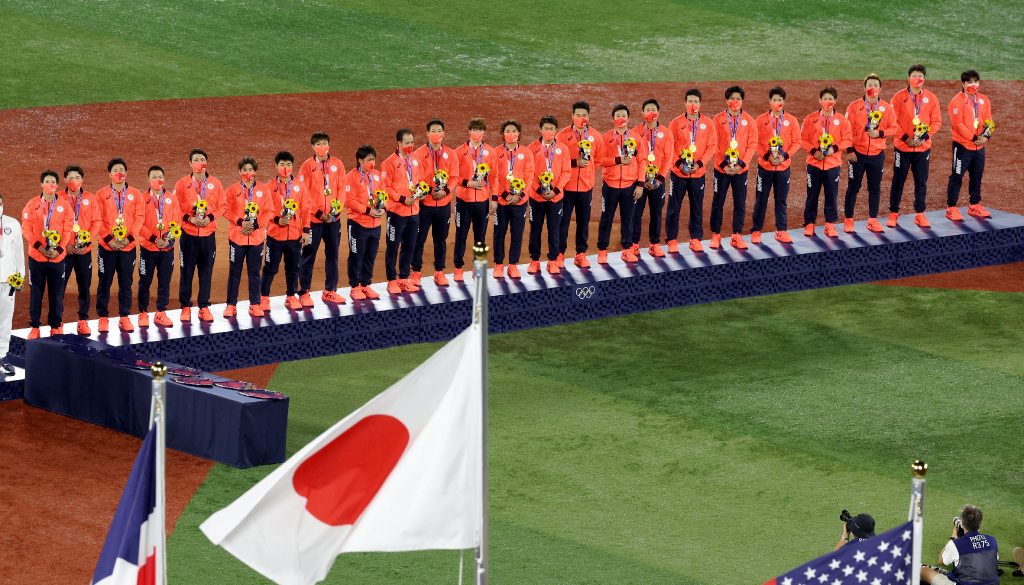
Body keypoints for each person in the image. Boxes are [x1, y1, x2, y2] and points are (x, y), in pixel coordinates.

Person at [888, 64, 942, 229]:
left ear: (924, 79)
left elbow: (936, 122)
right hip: (902, 148)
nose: (917, 79)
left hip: (922, 148)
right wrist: (905, 138)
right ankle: (893, 214)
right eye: (914, 75)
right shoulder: (898, 97)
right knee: (898, 181)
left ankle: (920, 214)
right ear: (908, 78)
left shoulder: (931, 98)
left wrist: (925, 137)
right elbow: (892, 122)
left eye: (920, 76)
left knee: (921, 182)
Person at [95, 158, 145, 333]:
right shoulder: (100, 195)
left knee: (126, 283)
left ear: (126, 173)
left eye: (122, 170)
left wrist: (129, 239)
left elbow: (140, 218)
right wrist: (109, 239)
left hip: (128, 247)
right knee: (104, 282)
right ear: (109, 174)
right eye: (115, 170)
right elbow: (97, 219)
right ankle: (103, 318)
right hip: (107, 247)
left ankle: (124, 317)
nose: (119, 173)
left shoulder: (136, 194)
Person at [174, 148, 224, 322]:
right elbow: (175, 208)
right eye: (195, 159)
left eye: (202, 159)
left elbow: (222, 206)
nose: (199, 162)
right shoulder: (181, 184)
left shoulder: (215, 184)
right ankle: (185, 307)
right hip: (188, 235)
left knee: (206, 272)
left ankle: (204, 306)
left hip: (208, 235)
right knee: (186, 271)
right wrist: (189, 219)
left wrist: (209, 218)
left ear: (206, 162)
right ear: (190, 163)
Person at [844, 73, 898, 233]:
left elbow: (894, 128)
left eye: (875, 85)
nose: (872, 88)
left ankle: (872, 220)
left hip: (877, 155)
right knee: (853, 187)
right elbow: (846, 130)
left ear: (880, 89)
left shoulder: (887, 108)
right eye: (869, 85)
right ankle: (848, 220)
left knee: (875, 188)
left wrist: (880, 133)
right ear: (864, 88)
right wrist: (850, 150)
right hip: (857, 155)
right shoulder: (853, 107)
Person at [297, 132, 347, 306]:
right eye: (318, 144)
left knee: (333, 255)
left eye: (324, 143)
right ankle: (304, 292)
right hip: (313, 221)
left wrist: (336, 210)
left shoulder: (338, 164)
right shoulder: (306, 167)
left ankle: (330, 291)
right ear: (312, 147)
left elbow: (342, 189)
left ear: (329, 144)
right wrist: (319, 214)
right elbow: (304, 195)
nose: (322, 147)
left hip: (333, 219)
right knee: (308, 255)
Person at [22, 170, 74, 338]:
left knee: (57, 292)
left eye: (53, 181)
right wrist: (40, 247)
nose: (50, 184)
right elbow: (26, 228)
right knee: (36, 291)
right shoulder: (32, 204)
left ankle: (56, 326)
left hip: (57, 258)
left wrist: (58, 250)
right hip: (37, 257)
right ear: (41, 184)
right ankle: (35, 327)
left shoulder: (65, 205)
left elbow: (68, 229)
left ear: (57, 185)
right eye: (47, 181)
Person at [666, 88, 717, 253]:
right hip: (678, 173)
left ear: (700, 104)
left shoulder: (708, 123)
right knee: (674, 207)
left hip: (698, 173)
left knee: (697, 207)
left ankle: (695, 238)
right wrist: (679, 163)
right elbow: (670, 147)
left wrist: (700, 164)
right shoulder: (675, 123)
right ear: (685, 103)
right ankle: (672, 240)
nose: (693, 104)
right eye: (690, 101)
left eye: (696, 101)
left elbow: (712, 146)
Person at [556, 101, 605, 268]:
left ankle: (581, 254)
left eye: (584, 115)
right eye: (578, 115)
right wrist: (575, 163)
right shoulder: (562, 136)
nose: (581, 118)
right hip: (566, 188)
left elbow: (598, 159)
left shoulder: (596, 136)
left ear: (588, 117)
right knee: (563, 222)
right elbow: (556, 162)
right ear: (572, 116)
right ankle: (559, 254)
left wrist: (588, 171)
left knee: (583, 222)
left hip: (585, 187)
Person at [411, 119, 460, 286]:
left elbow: (454, 177)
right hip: (425, 206)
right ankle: (416, 273)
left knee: (441, 239)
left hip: (444, 205)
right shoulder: (418, 154)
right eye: (433, 130)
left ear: (443, 133)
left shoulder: (451, 153)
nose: (436, 133)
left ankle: (439, 271)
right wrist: (427, 191)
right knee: (419, 239)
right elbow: (416, 177)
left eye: (439, 130)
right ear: (427, 133)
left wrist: (445, 191)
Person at [261, 151, 311, 311]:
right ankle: (263, 297)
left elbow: (306, 209)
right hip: (275, 236)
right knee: (270, 268)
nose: (285, 167)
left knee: (293, 268)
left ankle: (291, 296)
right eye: (282, 164)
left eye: (288, 164)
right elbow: (264, 212)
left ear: (292, 166)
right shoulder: (269, 187)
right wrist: (277, 220)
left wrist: (306, 231)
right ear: (276, 166)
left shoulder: (299, 186)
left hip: (295, 236)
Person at [800, 87, 853, 238]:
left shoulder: (842, 120)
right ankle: (809, 224)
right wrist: (814, 152)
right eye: (825, 98)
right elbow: (802, 139)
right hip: (814, 164)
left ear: (835, 101)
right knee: (812, 195)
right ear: (819, 100)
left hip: (832, 165)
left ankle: (830, 224)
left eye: (830, 98)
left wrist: (834, 149)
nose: (827, 101)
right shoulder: (811, 119)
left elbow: (848, 139)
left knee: (831, 195)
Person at [223, 157, 272, 317]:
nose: (247, 172)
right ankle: (231, 305)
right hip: (237, 238)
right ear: (239, 172)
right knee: (234, 272)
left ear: (255, 172)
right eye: (244, 170)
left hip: (256, 238)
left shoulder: (264, 190)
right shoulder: (232, 190)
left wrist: (255, 225)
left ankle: (255, 304)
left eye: (250, 169)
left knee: (254, 272)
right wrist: (240, 222)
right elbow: (224, 209)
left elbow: (269, 211)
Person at [752, 87, 801, 244]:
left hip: (783, 168)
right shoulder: (760, 120)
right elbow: (754, 142)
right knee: (761, 200)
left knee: (781, 200)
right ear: (769, 101)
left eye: (780, 100)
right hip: (765, 168)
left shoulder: (791, 120)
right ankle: (756, 231)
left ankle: (781, 231)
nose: (777, 102)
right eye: (775, 100)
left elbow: (797, 142)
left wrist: (784, 156)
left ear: (784, 101)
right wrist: (767, 156)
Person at [711, 86, 758, 249]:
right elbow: (713, 144)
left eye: (738, 98)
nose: (735, 101)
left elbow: (752, 145)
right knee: (718, 202)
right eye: (732, 98)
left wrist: (741, 165)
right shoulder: (717, 119)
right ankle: (716, 235)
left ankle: (736, 235)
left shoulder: (749, 120)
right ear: (726, 100)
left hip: (740, 170)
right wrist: (724, 165)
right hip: (721, 170)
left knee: (740, 202)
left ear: (742, 101)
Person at [945, 69, 994, 221]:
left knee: (977, 176)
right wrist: (974, 137)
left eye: (976, 81)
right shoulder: (956, 102)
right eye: (970, 82)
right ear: (963, 84)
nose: (973, 84)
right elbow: (958, 124)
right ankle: (951, 208)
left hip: (979, 146)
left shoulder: (984, 99)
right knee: (957, 176)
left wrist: (985, 137)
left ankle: (974, 205)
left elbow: (989, 120)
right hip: (962, 146)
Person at [596, 104, 642, 263]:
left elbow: (642, 161)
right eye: (618, 115)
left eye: (624, 115)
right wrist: (618, 160)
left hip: (630, 186)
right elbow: (600, 160)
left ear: (628, 118)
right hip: (610, 186)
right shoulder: (605, 138)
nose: (621, 118)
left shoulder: (636, 138)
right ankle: (602, 251)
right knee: (606, 218)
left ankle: (627, 250)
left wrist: (640, 184)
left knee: (628, 219)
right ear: (613, 119)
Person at [489, 120, 535, 278]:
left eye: (514, 131)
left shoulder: (526, 152)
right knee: (499, 233)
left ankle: (513, 265)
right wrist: (504, 195)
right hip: (502, 202)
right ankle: (499, 265)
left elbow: (530, 177)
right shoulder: (495, 152)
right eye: (508, 131)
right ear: (502, 134)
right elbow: (493, 177)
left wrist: (520, 196)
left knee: (517, 233)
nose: (511, 134)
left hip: (520, 202)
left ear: (519, 133)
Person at [380, 128, 423, 294]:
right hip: (397, 212)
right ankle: (392, 280)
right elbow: (387, 188)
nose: (410, 146)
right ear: (399, 143)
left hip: (414, 211)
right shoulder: (389, 163)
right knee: (393, 246)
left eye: (412, 142)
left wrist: (420, 190)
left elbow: (417, 180)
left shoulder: (415, 160)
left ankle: (404, 278)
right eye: (407, 143)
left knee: (409, 246)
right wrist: (402, 199)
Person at [136, 166, 180, 328]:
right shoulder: (141, 199)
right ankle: (143, 313)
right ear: (148, 180)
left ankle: (161, 312)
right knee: (145, 281)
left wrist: (169, 239)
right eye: (154, 177)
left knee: (164, 281)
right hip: (148, 249)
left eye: (160, 176)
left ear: (164, 178)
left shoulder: (171, 198)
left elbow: (177, 221)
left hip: (167, 249)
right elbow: (139, 223)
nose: (157, 179)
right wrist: (155, 239)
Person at [452, 118, 495, 282]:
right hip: (464, 201)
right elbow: (453, 177)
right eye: (475, 129)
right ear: (469, 131)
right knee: (461, 236)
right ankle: (458, 269)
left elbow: (495, 177)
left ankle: (479, 268)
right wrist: (467, 182)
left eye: (480, 130)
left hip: (482, 201)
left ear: (484, 132)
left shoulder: (489, 152)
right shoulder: (459, 152)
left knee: (481, 237)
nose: (478, 133)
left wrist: (494, 199)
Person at [629, 98, 674, 257]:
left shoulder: (666, 133)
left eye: (653, 109)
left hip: (658, 181)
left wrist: (660, 179)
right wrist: (641, 180)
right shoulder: (634, 133)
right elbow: (633, 159)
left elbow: (669, 158)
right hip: (640, 182)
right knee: (636, 213)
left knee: (656, 213)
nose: (650, 113)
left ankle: (654, 244)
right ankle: (633, 244)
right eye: (647, 110)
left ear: (658, 113)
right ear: (642, 113)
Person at [526, 115, 571, 274]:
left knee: (554, 229)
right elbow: (528, 173)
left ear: (556, 130)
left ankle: (552, 260)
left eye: (552, 129)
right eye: (546, 128)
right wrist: (539, 190)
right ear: (541, 130)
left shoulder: (563, 149)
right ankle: (534, 260)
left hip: (556, 198)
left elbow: (566, 172)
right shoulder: (531, 148)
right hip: (536, 198)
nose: (549, 131)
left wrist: (555, 191)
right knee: (535, 229)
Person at [61, 165, 101, 334]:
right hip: (64, 251)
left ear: (82, 180)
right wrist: (65, 245)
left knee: (84, 286)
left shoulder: (90, 198)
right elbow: (54, 225)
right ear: (65, 180)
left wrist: (86, 242)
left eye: (77, 177)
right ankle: (57, 322)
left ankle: (83, 320)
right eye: (70, 178)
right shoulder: (58, 198)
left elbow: (96, 221)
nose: (74, 181)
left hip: (84, 251)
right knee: (59, 287)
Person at [344, 145, 385, 301]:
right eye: (369, 160)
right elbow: (349, 201)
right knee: (356, 255)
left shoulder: (377, 175)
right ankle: (354, 287)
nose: (372, 162)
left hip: (375, 224)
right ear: (360, 160)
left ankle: (365, 285)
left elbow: (383, 194)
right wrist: (368, 211)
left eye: (373, 159)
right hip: (358, 224)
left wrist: (383, 208)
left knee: (370, 256)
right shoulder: (351, 177)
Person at [921, 505, 998, 585]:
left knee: (924, 571)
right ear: (980, 523)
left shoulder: (956, 544)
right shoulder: (992, 540)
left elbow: (941, 560)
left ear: (962, 524)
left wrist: (954, 536)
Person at [0, 193, 24, 374]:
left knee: (5, 320)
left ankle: (2, 357)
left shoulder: (12, 224)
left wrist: (20, 276)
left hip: (8, 281)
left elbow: (18, 253)